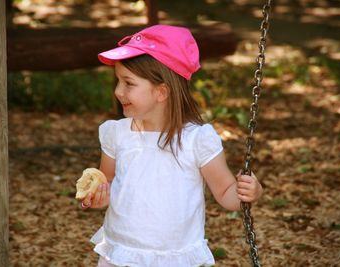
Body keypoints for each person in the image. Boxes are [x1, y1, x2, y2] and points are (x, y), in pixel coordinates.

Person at [79, 24, 263, 267]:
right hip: (120, 254)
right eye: (118, 81)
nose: (118, 91)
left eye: (128, 83)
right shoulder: (117, 134)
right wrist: (100, 197)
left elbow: (225, 194)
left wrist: (250, 193)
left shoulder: (196, 140)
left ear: (161, 92)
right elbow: (109, 183)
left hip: (174, 258)